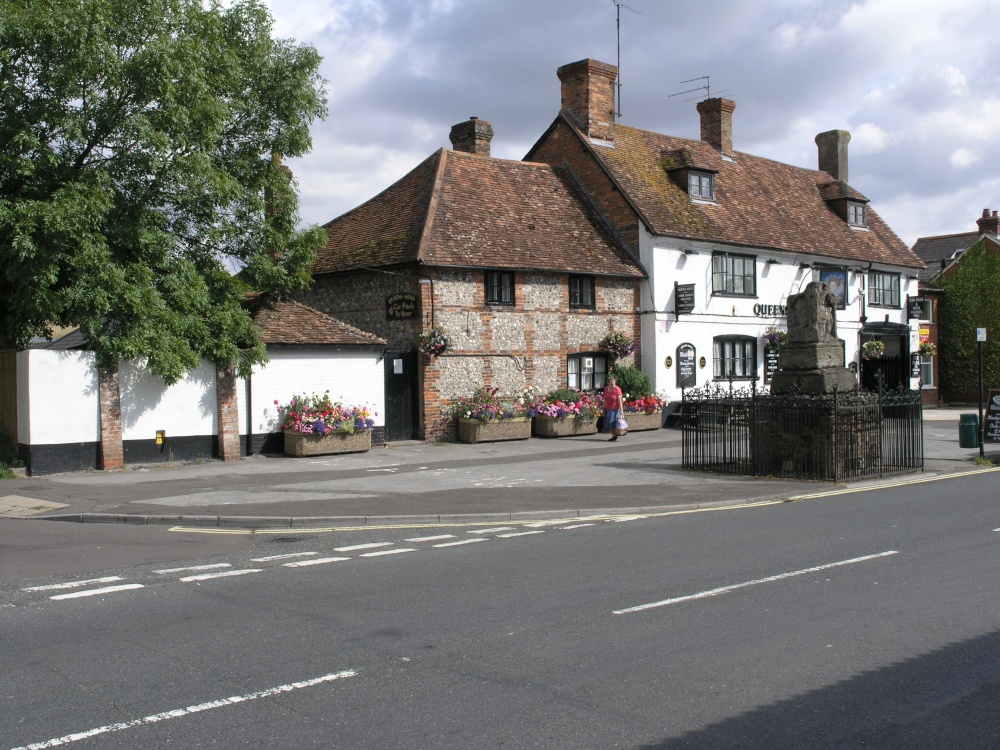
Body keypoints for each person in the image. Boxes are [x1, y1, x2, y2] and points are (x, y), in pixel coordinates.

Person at [602, 376, 625, 442]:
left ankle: (615, 435)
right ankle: (614, 435)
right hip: (607, 408)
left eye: (614, 382)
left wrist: (621, 410)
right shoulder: (606, 389)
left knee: (611, 422)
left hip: (614, 409)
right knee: (608, 424)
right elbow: (605, 400)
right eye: (611, 383)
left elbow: (619, 400)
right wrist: (603, 409)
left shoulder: (617, 389)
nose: (613, 384)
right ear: (608, 383)